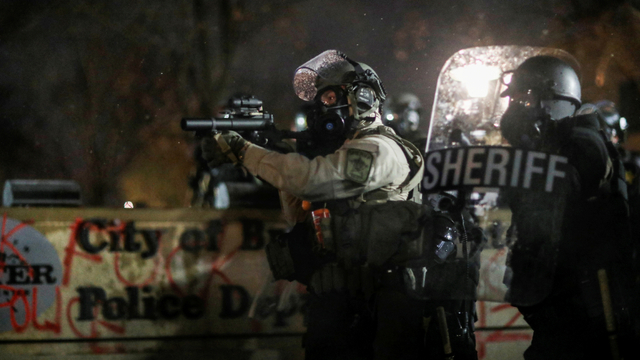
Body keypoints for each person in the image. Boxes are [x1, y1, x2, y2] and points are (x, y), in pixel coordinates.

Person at [200, 49, 448, 359]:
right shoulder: (343, 152)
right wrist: (278, 153)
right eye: (320, 101)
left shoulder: (380, 148)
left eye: (330, 98)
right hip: (339, 299)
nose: (322, 108)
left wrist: (245, 152)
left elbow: (310, 180)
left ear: (363, 98)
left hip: (385, 302)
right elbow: (297, 213)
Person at [499, 55, 638, 359]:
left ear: (554, 101)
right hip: (556, 301)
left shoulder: (584, 143)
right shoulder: (550, 148)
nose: (517, 110)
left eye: (526, 100)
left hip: (589, 307)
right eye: (516, 101)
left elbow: (557, 187)